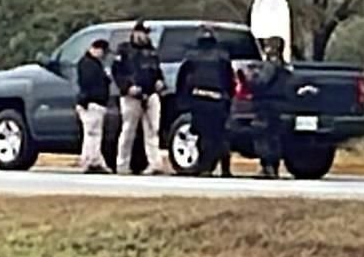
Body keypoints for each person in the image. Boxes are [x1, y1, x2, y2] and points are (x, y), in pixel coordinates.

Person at [176, 26, 235, 176]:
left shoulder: (191, 56)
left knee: (204, 135)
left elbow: (182, 80)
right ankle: (225, 168)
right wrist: (229, 98)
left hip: (199, 99)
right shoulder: (223, 56)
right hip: (218, 100)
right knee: (220, 135)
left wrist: (183, 100)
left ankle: (205, 167)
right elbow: (230, 80)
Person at [112, 19, 166, 175]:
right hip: (131, 96)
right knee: (128, 130)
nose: (145, 37)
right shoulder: (124, 50)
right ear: (135, 32)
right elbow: (117, 73)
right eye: (143, 33)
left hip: (150, 95)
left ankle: (155, 164)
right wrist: (127, 88)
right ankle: (122, 164)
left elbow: (157, 71)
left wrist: (160, 82)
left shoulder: (152, 52)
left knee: (152, 130)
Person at [248, 35, 290, 179]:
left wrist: (251, 79)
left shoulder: (270, 65)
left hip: (266, 104)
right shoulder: (284, 66)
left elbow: (262, 82)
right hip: (280, 105)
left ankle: (267, 167)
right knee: (275, 137)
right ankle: (274, 167)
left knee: (263, 136)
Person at [76, 38, 111, 173]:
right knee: (92, 133)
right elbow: (88, 84)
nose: (103, 55)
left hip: (96, 103)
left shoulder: (95, 64)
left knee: (93, 134)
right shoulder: (87, 64)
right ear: (96, 49)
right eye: (102, 51)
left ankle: (92, 159)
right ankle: (90, 161)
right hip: (91, 103)